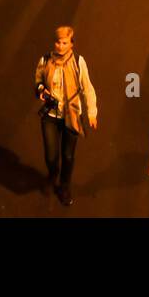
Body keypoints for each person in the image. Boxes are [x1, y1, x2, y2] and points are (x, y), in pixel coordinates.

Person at [34, 25, 98, 207]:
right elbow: (38, 80)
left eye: (64, 43)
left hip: (72, 115)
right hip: (50, 114)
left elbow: (88, 88)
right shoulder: (45, 60)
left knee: (68, 156)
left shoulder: (78, 62)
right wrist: (40, 90)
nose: (60, 46)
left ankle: (64, 186)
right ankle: (52, 174)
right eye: (58, 42)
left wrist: (92, 112)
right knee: (51, 155)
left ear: (71, 44)